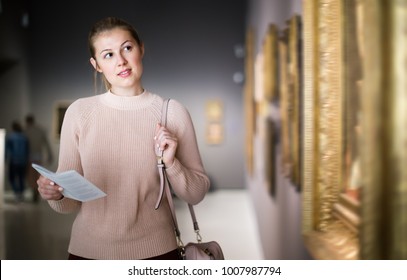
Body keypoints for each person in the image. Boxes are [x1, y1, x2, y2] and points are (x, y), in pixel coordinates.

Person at [36, 16, 210, 260]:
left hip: (157, 253)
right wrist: (56, 194)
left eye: (127, 48)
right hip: (87, 254)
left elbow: (197, 193)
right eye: (108, 55)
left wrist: (172, 164)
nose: (121, 61)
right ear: (96, 64)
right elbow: (69, 204)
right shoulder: (79, 113)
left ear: (141, 49)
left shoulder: (171, 112)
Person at [25, 114, 53, 203]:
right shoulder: (40, 130)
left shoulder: (25, 131)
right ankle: (35, 192)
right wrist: (50, 155)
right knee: (37, 175)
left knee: (31, 176)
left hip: (29, 157)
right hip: (38, 156)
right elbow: (46, 144)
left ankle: (34, 192)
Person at [6, 121, 29, 202]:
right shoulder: (24, 137)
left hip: (14, 161)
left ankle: (16, 193)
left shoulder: (11, 137)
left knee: (12, 178)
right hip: (23, 161)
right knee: (21, 178)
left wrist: (6, 159)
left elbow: (8, 150)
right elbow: (27, 150)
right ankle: (21, 194)